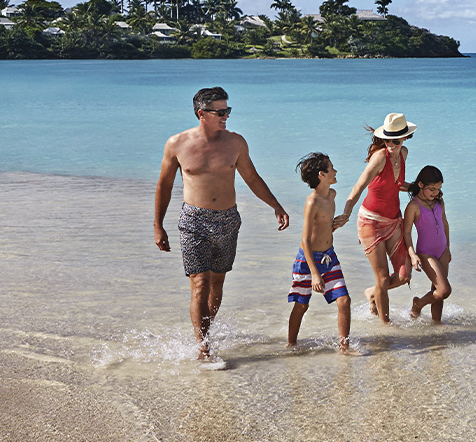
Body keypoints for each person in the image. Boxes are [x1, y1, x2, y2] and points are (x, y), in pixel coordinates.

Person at [154, 87, 292, 362]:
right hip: (193, 219)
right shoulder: (176, 143)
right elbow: (165, 184)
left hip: (228, 219)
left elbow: (252, 178)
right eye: (221, 112)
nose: (226, 116)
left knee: (217, 285)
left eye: (228, 110)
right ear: (201, 114)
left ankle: (206, 330)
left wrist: (276, 205)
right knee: (200, 284)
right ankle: (203, 346)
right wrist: (158, 225)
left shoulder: (236, 143)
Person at [337, 113, 416, 324]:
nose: (391, 144)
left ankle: (373, 293)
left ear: (405, 139)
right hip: (370, 221)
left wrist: (421, 189)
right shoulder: (379, 157)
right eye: (388, 139)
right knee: (382, 277)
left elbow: (396, 184)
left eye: (396, 140)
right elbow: (359, 186)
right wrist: (346, 212)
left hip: (392, 221)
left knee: (403, 276)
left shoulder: (403, 154)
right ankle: (386, 327)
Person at [286, 153, 361, 355]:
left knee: (344, 300)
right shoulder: (312, 202)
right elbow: (305, 239)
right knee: (301, 305)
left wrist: (336, 223)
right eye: (332, 168)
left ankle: (344, 347)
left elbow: (323, 225)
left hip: (329, 257)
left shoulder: (332, 195)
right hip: (307, 260)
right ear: (322, 174)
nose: (335, 171)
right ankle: (291, 345)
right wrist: (315, 273)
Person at [403, 166, 452, 323]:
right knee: (444, 291)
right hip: (426, 253)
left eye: (438, 189)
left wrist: (448, 248)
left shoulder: (439, 202)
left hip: (442, 250)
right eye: (432, 189)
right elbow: (407, 233)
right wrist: (412, 254)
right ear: (421, 185)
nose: (435, 192)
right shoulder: (413, 206)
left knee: (436, 291)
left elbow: (445, 224)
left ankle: (436, 325)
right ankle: (418, 304)